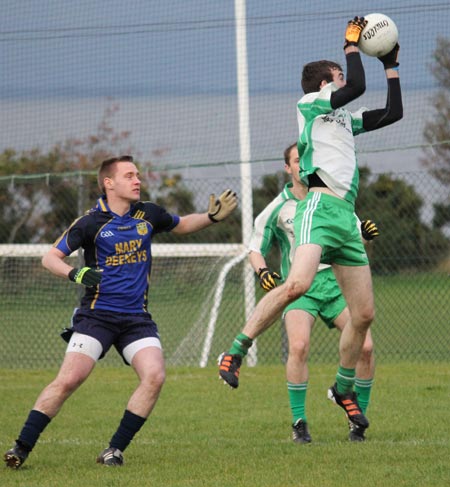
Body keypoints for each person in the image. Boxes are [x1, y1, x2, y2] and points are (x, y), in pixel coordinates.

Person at [219, 16, 402, 441]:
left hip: (345, 216)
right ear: (325, 84)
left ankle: (341, 388)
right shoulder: (310, 104)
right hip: (318, 208)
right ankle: (234, 353)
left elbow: (394, 112)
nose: (344, 80)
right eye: (338, 76)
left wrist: (391, 64)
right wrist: (351, 45)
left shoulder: (341, 119)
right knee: (297, 284)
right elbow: (354, 86)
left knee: (365, 316)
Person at [4, 155, 238, 469]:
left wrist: (211, 217)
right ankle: (20, 448)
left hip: (136, 319)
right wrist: (75, 274)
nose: (137, 180)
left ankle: (113, 450)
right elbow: (50, 259)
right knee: (69, 379)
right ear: (109, 183)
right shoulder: (90, 222)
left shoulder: (148, 214)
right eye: (129, 175)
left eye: (138, 174)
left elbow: (182, 225)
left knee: (154, 376)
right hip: (96, 316)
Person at [248, 143, 377, 442]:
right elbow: (255, 248)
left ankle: (357, 422)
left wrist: (365, 235)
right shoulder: (279, 207)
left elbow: (354, 243)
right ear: (288, 168)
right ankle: (298, 423)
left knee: (366, 347)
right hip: (301, 289)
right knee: (299, 346)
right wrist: (263, 271)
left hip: (335, 286)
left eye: (307, 160)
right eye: (297, 161)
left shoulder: (334, 200)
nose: (303, 166)